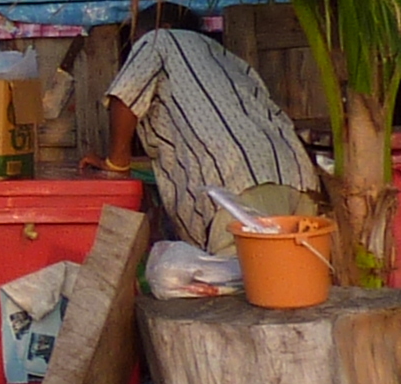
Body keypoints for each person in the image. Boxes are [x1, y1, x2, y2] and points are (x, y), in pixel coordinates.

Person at [106, 21, 320, 250]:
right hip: (297, 178)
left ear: (163, 23)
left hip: (239, 184)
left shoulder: (159, 39)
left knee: (241, 282)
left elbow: (126, 94)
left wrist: (117, 163)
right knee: (294, 278)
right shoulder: (228, 59)